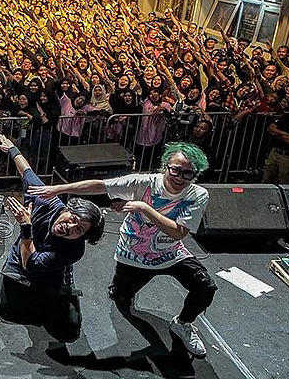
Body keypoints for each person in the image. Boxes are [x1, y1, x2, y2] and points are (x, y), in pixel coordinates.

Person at [30, 142, 216, 358]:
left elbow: (178, 232)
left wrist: (144, 207)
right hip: (134, 255)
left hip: (171, 254)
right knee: (122, 300)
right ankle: (120, 291)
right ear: (166, 166)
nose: (179, 177)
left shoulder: (198, 194)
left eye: (187, 173)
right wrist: (58, 189)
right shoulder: (145, 182)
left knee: (205, 286)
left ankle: (183, 323)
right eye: (175, 170)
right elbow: (100, 185)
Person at [0, 135, 105, 343]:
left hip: (48, 273)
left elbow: (33, 264)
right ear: (68, 209)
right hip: (21, 264)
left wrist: (26, 227)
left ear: (82, 237)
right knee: (3, 310)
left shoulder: (74, 250)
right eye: (73, 219)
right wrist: (13, 149)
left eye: (78, 230)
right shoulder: (47, 201)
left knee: (69, 332)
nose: (69, 227)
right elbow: (27, 172)